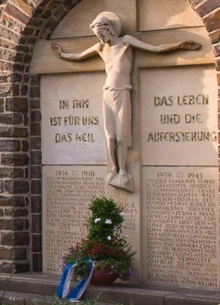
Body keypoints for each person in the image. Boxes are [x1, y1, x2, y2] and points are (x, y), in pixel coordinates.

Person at [51, 11, 199, 190]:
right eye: (97, 35)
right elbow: (78, 56)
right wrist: (61, 55)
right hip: (107, 92)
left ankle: (123, 171)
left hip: (122, 92)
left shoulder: (126, 42)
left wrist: (179, 45)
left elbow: (155, 49)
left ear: (109, 28)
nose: (100, 37)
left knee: (121, 136)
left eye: (101, 33)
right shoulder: (100, 48)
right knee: (110, 136)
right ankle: (114, 167)